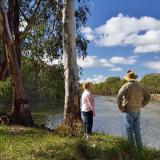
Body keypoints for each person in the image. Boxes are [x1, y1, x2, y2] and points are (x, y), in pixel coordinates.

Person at [117, 70, 151, 153]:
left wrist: (120, 107)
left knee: (129, 130)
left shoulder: (126, 85)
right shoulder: (140, 86)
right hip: (138, 111)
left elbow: (119, 96)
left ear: (127, 78)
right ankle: (140, 150)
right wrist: (141, 105)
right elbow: (148, 97)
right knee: (137, 130)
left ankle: (132, 150)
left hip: (128, 111)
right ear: (134, 78)